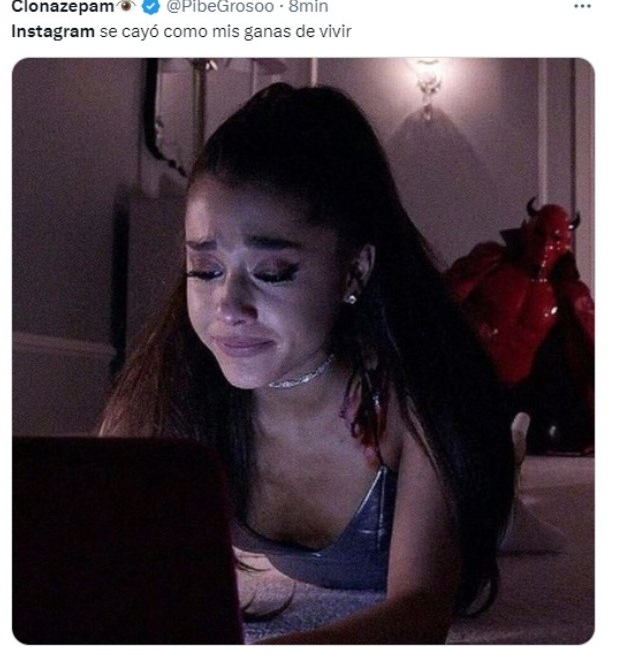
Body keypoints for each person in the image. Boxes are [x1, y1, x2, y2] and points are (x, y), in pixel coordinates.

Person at [100, 83, 515, 643]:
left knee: (513, 507)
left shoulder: (417, 397)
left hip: (478, 470)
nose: (228, 306)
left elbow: (422, 611)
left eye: (272, 272)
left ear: (354, 270)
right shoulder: (164, 390)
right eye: (205, 269)